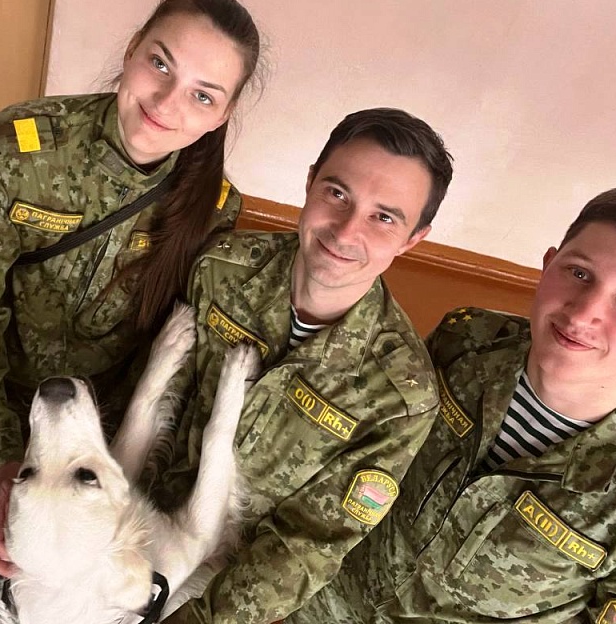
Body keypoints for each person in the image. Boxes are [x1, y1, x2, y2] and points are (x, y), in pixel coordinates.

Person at [0, 0, 263, 609]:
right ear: (131, 49)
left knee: (71, 564)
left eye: (203, 95)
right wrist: (3, 464)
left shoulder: (213, 207)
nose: (166, 102)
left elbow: (173, 339)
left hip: (104, 422)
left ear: (222, 114)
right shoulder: (16, 151)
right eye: (160, 64)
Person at [293, 182, 616, 623]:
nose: (583, 313)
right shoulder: (467, 339)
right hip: (314, 604)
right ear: (547, 265)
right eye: (579, 273)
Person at [152, 107, 454, 623]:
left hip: (220, 586)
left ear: (412, 239)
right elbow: (160, 396)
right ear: (311, 182)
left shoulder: (401, 395)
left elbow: (309, 543)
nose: (345, 230)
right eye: (337, 194)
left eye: (383, 217)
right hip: (136, 515)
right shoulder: (222, 267)